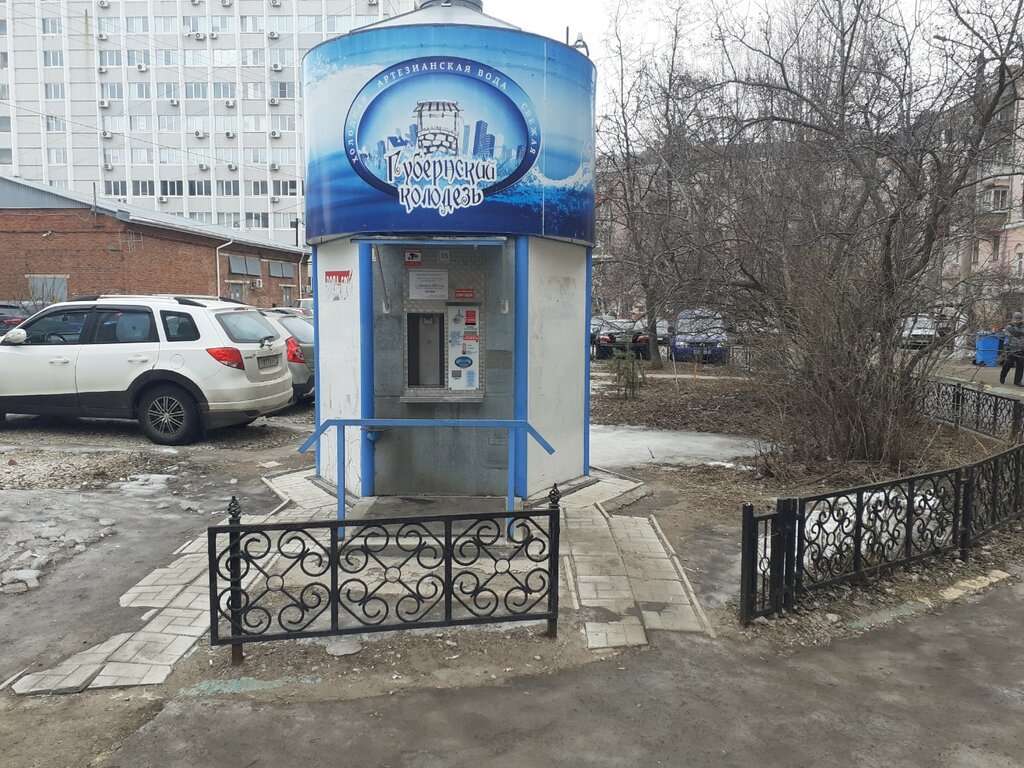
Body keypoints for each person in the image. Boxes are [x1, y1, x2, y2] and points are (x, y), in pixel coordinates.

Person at [999, 311, 1024, 386]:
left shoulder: (1022, 327)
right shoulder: (1008, 326)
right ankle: (1002, 376)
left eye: (1019, 318)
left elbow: (1021, 332)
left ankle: (1017, 381)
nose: (1017, 320)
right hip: (1011, 349)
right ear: (1013, 319)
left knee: (1020, 366)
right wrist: (1013, 326)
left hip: (1021, 349)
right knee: (1007, 364)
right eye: (1016, 318)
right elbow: (1015, 333)